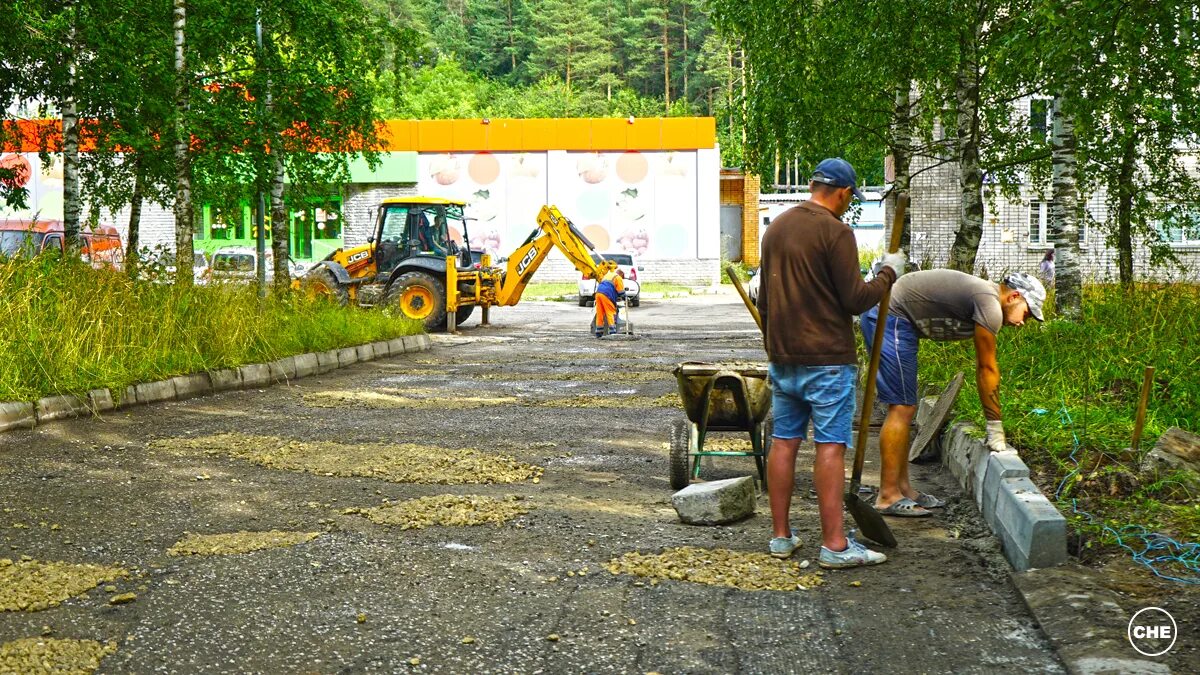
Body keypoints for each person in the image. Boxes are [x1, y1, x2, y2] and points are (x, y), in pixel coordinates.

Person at [757, 157, 905, 569]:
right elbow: (855, 300)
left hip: (783, 358)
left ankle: (781, 537)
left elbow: (764, 301)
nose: (847, 205)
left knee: (784, 443)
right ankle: (835, 545)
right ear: (840, 192)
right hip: (827, 360)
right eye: (848, 198)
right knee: (830, 447)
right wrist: (889, 274)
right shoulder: (836, 232)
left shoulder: (776, 229)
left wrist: (775, 346)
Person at [862, 270, 1046, 517]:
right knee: (901, 407)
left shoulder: (987, 299)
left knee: (906, 407)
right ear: (1014, 296)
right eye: (1027, 313)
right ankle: (887, 496)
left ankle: (902, 488)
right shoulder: (989, 304)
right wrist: (994, 426)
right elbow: (986, 368)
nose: (1024, 322)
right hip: (888, 314)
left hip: (896, 316)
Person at [593, 268, 624, 337]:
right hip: (606, 294)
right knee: (610, 311)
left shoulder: (608, 275)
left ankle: (599, 331)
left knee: (600, 312)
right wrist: (625, 297)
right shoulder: (618, 277)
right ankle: (612, 331)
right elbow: (621, 292)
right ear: (621, 275)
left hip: (598, 294)